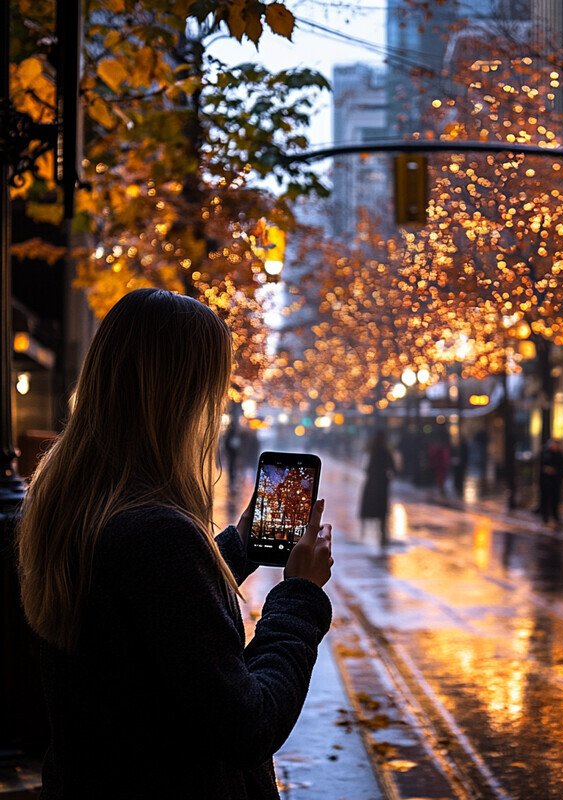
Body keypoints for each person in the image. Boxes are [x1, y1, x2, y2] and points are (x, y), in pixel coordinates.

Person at [15, 288, 334, 800]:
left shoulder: (72, 503)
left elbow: (155, 615)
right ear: (182, 400)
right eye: (212, 390)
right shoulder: (158, 535)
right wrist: (299, 597)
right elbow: (246, 726)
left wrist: (241, 546)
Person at [359, 429, 396, 545]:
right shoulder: (384, 451)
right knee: (382, 509)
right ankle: (382, 533)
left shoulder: (372, 450)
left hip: (373, 482)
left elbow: (366, 467)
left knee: (372, 506)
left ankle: (365, 532)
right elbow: (393, 467)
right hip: (381, 483)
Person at [538, 438, 563, 527]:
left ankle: (555, 515)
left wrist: (555, 471)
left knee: (555, 499)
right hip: (546, 481)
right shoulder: (545, 453)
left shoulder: (559, 454)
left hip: (555, 481)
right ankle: (545, 516)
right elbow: (541, 466)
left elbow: (562, 467)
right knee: (545, 499)